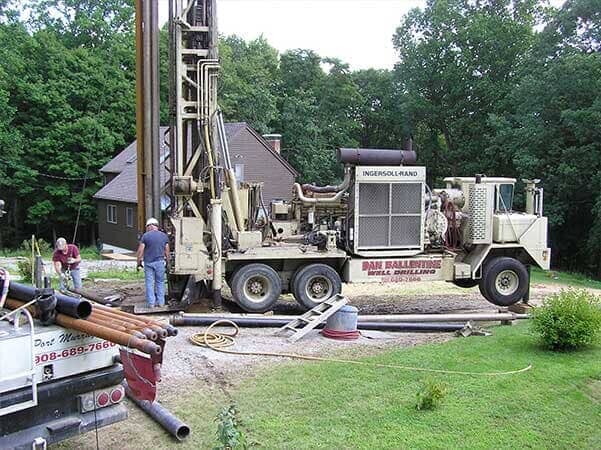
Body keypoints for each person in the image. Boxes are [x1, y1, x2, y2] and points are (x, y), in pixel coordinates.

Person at [137, 218, 170, 308]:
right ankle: (161, 303)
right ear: (157, 226)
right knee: (160, 282)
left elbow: (140, 250)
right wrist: (168, 262)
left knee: (149, 283)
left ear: (149, 226)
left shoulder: (145, 236)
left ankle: (151, 304)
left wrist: (138, 262)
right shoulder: (164, 236)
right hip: (160, 262)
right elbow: (167, 251)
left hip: (148, 263)